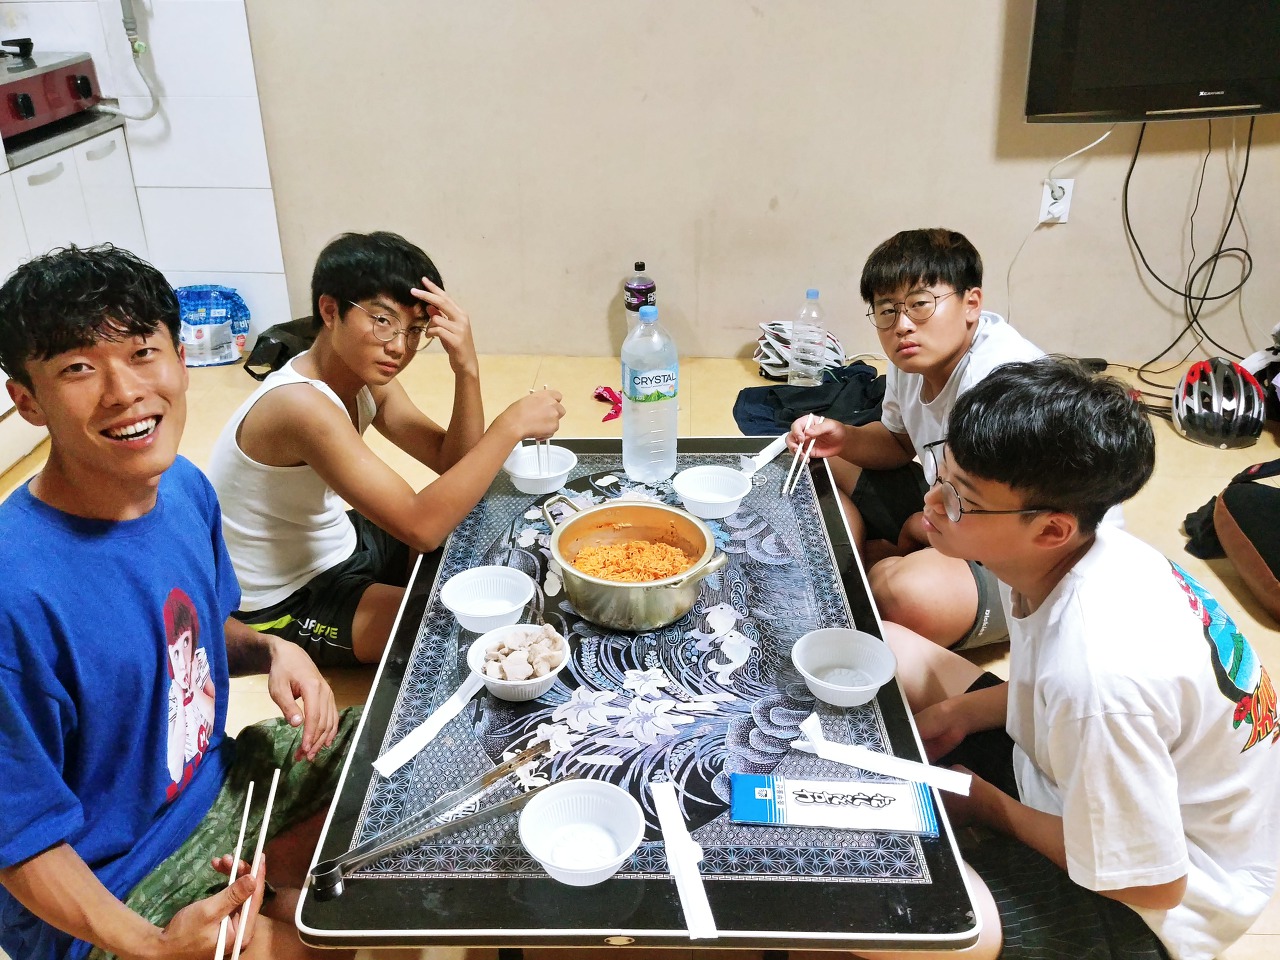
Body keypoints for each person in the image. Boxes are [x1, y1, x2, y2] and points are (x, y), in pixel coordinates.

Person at [0, 245, 357, 960]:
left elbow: (184, 637)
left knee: (392, 762)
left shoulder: (184, 488)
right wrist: (156, 946)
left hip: (217, 787)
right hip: (112, 889)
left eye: (142, 353)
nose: (124, 391)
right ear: (28, 401)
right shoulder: (15, 594)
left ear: (181, 359)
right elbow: (19, 837)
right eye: (78, 368)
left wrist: (273, 648)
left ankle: (285, 900)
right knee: (301, 946)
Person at [884, 357, 1280, 960]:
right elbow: (1049, 684)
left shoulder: (1097, 675)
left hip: (1160, 904)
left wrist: (988, 805)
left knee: (892, 910)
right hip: (1081, 785)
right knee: (890, 645)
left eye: (962, 499)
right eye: (944, 474)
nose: (933, 502)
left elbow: (1155, 883)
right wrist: (957, 715)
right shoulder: (1086, 553)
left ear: (1051, 529)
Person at [206, 231, 565, 666]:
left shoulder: (365, 381)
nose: (398, 346)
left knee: (480, 535)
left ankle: (410, 585)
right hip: (286, 597)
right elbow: (421, 527)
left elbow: (455, 465)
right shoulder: (298, 405)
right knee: (464, 633)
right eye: (382, 321)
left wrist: (466, 368)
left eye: (414, 331)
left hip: (340, 542)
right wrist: (509, 427)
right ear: (330, 310)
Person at [788, 228, 1043, 650]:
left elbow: (1007, 520)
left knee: (899, 594)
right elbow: (897, 442)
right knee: (818, 456)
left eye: (920, 304)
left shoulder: (1001, 385)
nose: (902, 325)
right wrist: (843, 437)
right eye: (887, 310)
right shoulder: (912, 360)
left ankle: (876, 569)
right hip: (949, 507)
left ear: (971, 303)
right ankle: (855, 560)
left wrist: (915, 530)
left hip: (1015, 557)